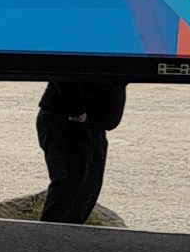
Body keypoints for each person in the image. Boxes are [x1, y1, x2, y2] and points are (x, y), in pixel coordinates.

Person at [36, 80, 126, 224]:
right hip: (68, 120)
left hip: (93, 125)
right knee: (69, 188)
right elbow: (64, 71)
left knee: (87, 191)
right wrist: (77, 110)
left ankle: (66, 235)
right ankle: (50, 236)